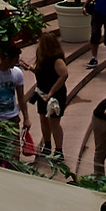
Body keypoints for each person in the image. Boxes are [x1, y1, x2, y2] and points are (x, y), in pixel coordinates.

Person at [30, 28, 73, 160]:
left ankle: (59, 150)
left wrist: (52, 92)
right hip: (42, 93)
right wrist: (31, 69)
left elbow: (64, 75)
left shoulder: (56, 59)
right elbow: (42, 73)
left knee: (54, 122)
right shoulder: (42, 58)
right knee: (43, 119)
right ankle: (47, 145)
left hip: (55, 95)